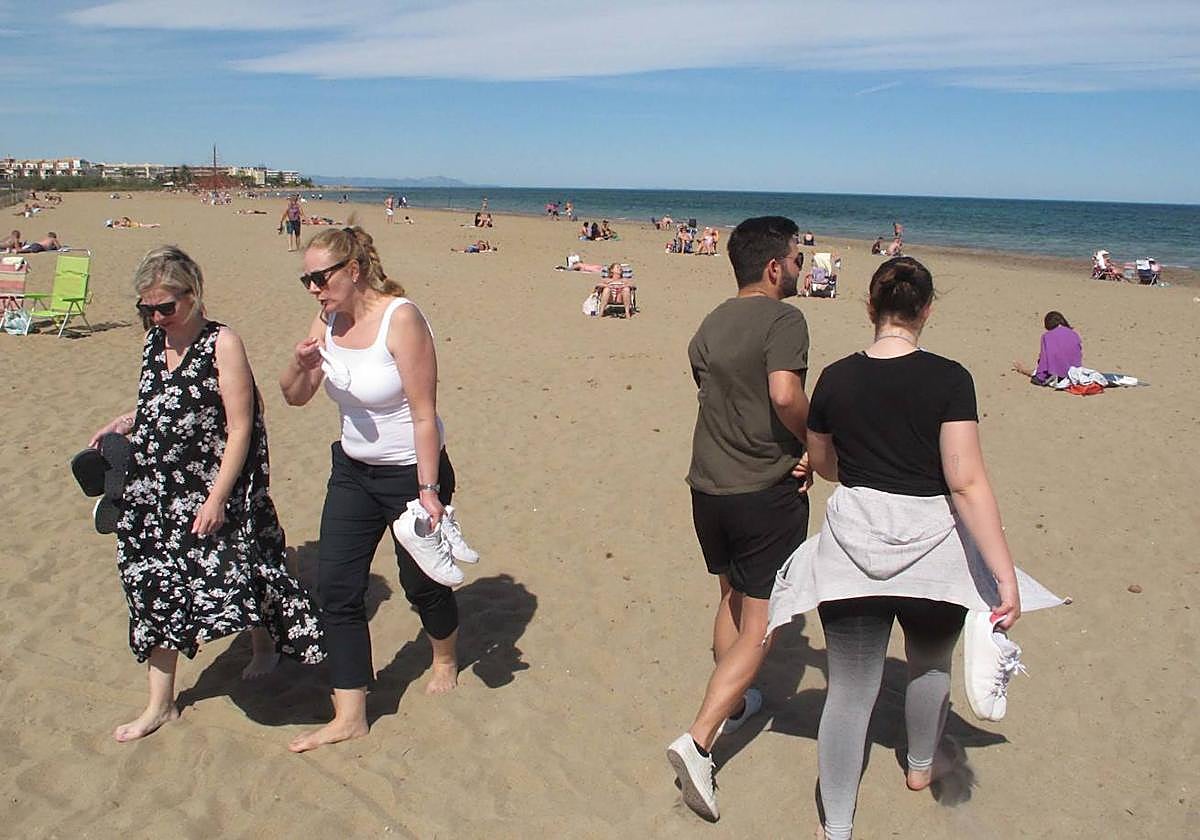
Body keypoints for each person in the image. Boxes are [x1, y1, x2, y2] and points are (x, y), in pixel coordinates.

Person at [779, 256, 1022, 840]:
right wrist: (1003, 573)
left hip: (854, 544)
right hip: (934, 551)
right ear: (926, 310)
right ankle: (919, 766)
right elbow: (964, 482)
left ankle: (836, 825)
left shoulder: (836, 377)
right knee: (929, 665)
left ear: (871, 307)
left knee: (850, 690)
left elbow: (828, 463)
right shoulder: (950, 379)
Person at [87, 245, 325, 743]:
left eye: (165, 307)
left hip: (215, 485)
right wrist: (128, 422)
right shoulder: (154, 343)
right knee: (152, 586)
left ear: (193, 297)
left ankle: (264, 645)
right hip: (156, 489)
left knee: (247, 567)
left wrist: (216, 499)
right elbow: (160, 402)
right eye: (145, 309)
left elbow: (240, 428)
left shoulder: (223, 344)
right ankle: (161, 704)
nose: (155, 317)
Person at [279, 225, 468, 752]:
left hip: (411, 473)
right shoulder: (325, 319)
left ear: (353, 269)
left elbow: (425, 413)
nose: (315, 289)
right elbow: (295, 396)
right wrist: (299, 364)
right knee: (336, 588)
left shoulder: (400, 318)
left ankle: (445, 655)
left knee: (421, 585)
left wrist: (429, 489)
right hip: (353, 473)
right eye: (306, 281)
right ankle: (350, 714)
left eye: (321, 277)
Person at [667, 216, 812, 821]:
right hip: (763, 489)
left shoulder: (710, 322)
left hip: (709, 488)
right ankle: (700, 740)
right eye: (799, 259)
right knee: (763, 622)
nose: (804, 269)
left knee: (730, 596)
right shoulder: (785, 320)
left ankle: (736, 699)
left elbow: (710, 386)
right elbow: (783, 394)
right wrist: (815, 444)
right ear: (774, 267)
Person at [1012, 310, 1082, 385]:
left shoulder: (1047, 336)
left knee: (1038, 374)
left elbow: (1044, 359)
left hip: (1059, 375)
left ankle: (1021, 369)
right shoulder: (1074, 334)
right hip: (1075, 372)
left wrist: (1040, 376)